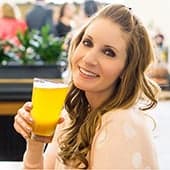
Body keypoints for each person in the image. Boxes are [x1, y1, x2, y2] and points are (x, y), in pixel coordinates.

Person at [14, 4, 160, 169]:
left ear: (127, 68)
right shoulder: (72, 115)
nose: (89, 59)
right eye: (87, 42)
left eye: (108, 52)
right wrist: (34, 143)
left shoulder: (120, 122)